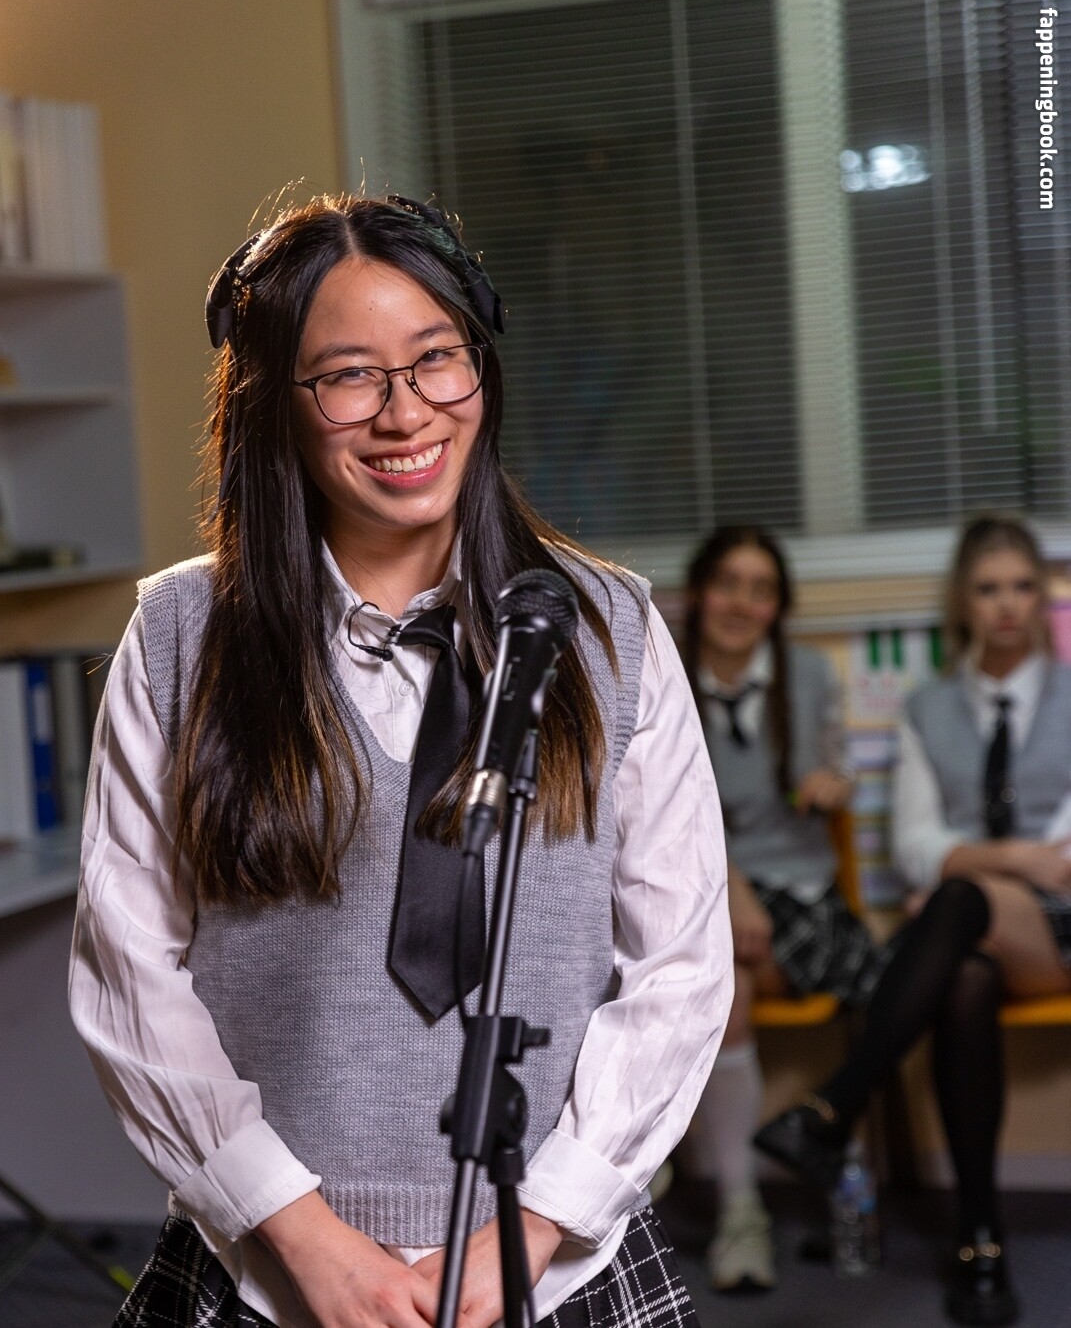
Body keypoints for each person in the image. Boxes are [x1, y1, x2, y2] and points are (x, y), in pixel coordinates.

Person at [68, 194, 733, 1328]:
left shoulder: (607, 627)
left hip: (548, 1260)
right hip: (274, 1269)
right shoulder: (180, 636)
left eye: (436, 358)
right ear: (272, 402)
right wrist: (303, 1235)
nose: (405, 411)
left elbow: (679, 966)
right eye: (348, 377)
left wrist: (533, 1225)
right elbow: (132, 968)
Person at [756, 513, 1071, 1327]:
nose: (1006, 604)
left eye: (1022, 586)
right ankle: (979, 1241)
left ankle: (835, 1104)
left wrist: (973, 868)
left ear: (1040, 598)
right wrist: (1006, 862)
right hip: (972, 929)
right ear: (963, 602)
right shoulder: (927, 707)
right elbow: (913, 847)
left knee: (958, 903)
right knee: (963, 973)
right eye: (987, 588)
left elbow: (1062, 861)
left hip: (1057, 930)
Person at [676, 526, 885, 1293]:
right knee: (719, 972)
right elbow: (652, 813)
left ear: (778, 607)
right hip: (697, 891)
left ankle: (720, 1189)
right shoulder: (661, 676)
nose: (741, 603)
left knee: (724, 979)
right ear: (698, 593)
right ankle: (740, 1207)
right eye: (727, 583)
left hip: (798, 893)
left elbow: (834, 766)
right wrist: (727, 887)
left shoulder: (808, 674)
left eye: (761, 589)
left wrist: (835, 782)